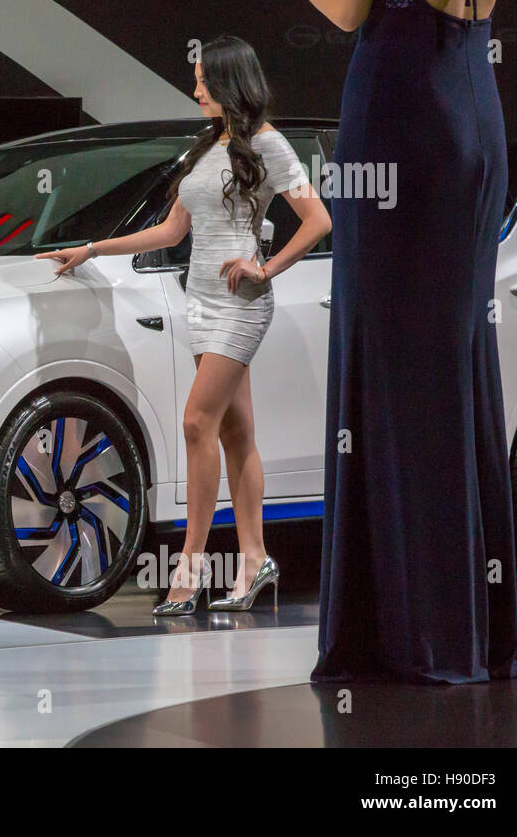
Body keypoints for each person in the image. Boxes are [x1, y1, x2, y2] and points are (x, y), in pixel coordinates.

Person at [246, 0, 517, 681]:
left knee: (389, 363)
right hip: (477, 114)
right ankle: (470, 628)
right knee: (452, 369)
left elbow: (349, 6)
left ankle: (411, 635)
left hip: (401, 107)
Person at [37, 36, 332, 615]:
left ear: (230, 80)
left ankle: (190, 568)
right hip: (197, 298)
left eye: (204, 79)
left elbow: (317, 218)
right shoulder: (206, 146)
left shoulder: (268, 145)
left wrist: (265, 267)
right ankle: (254, 561)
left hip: (241, 301)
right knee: (235, 433)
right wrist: (94, 247)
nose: (195, 89)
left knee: (197, 422)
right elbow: (171, 233)